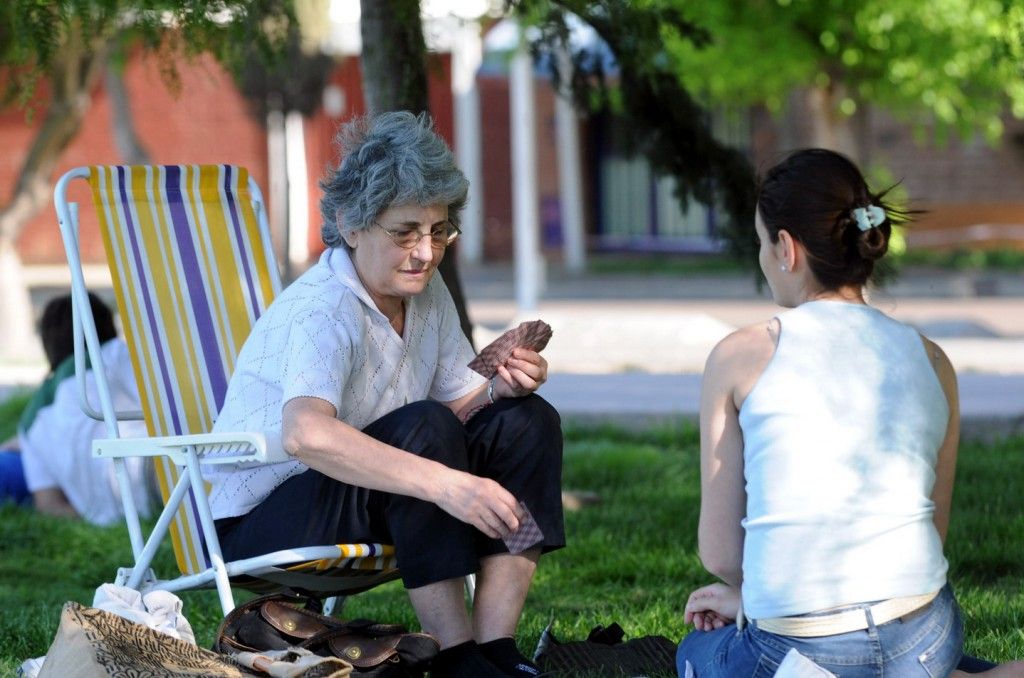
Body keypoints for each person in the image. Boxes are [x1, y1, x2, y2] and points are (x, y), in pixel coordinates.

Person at [205, 111, 564, 678]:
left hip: (363, 492)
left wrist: (502, 385)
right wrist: (450, 485)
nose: (425, 252)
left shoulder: (423, 290)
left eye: (439, 231)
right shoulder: (324, 306)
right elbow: (306, 434)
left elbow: (459, 410)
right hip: (263, 518)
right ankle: (455, 656)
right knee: (424, 429)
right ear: (351, 224)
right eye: (405, 233)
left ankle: (497, 651)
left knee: (527, 420)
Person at [676, 148, 969, 677]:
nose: (764, 257)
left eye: (762, 243)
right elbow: (932, 529)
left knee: (695, 654)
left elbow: (721, 555)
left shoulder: (741, 355)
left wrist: (753, 600)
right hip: (925, 637)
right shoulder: (933, 359)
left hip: (798, 653)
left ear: (786, 248)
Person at [11, 292, 150, 525]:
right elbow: (173, 410)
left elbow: (49, 505)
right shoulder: (115, 354)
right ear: (107, 326)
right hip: (162, 472)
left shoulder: (30, 422)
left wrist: (99, 513)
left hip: (117, 514)